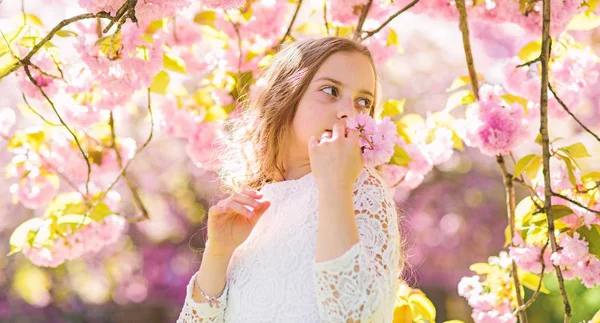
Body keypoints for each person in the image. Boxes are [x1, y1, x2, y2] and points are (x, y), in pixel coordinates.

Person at [177, 36, 404, 322]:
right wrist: (219, 254)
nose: (349, 112)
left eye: (363, 101)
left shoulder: (361, 189)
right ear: (288, 93)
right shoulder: (255, 207)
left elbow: (355, 317)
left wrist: (336, 186)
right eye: (331, 90)